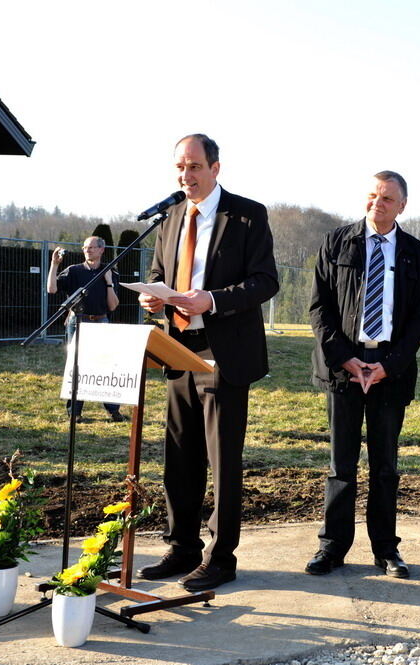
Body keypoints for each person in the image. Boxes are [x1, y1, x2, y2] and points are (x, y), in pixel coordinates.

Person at [136, 133, 278, 591]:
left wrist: (212, 300)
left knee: (222, 460)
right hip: (177, 349)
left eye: (194, 166)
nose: (186, 175)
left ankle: (221, 558)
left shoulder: (247, 215)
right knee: (179, 456)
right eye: (180, 167)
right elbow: (161, 273)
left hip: (224, 353)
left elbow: (265, 282)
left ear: (216, 168)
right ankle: (182, 548)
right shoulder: (172, 216)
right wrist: (154, 298)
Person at [306, 171, 420, 579]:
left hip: (389, 371)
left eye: (388, 197)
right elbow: (319, 308)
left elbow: (419, 320)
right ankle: (332, 547)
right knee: (341, 464)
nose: (378, 202)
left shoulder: (415, 252)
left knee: (385, 467)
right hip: (343, 367)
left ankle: (385, 549)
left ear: (402, 205)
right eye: (373, 195)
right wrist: (345, 358)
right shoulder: (336, 242)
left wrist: (387, 366)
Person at [46, 235, 126, 422]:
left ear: (101, 250)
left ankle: (113, 410)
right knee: (76, 367)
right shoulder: (73, 271)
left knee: (105, 366)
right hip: (77, 323)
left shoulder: (110, 272)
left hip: (101, 322)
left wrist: (107, 281)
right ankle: (74, 412)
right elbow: (51, 289)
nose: (87, 250)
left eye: (91, 247)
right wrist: (54, 265)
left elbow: (113, 305)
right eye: (84, 247)